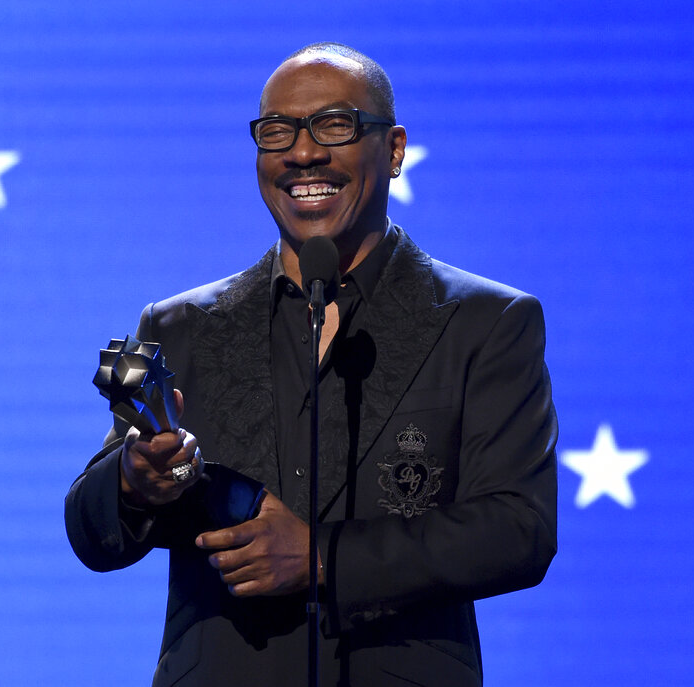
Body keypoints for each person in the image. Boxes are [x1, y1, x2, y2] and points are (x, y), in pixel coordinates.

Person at [66, 42, 557, 687]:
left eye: (335, 125)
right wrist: (136, 482)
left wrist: (322, 559)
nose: (303, 153)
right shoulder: (180, 326)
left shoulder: (484, 322)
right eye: (278, 132)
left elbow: (517, 531)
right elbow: (93, 533)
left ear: (395, 149)